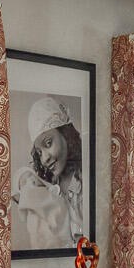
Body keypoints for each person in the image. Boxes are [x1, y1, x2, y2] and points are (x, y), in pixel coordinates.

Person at [12, 96, 87, 249]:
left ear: (65, 134)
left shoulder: (87, 180)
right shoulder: (49, 187)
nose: (44, 158)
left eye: (48, 143)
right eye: (39, 153)